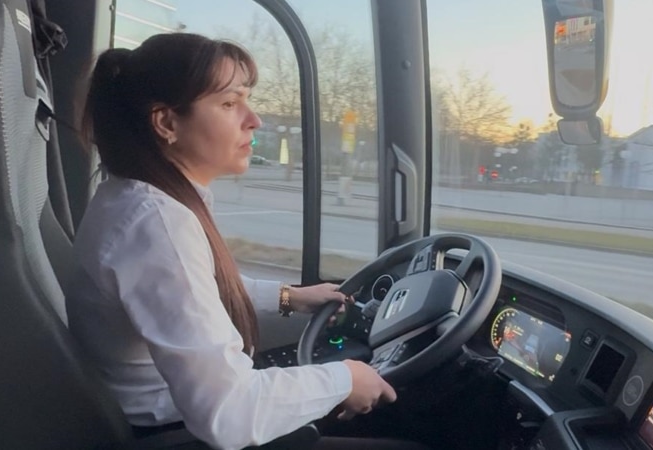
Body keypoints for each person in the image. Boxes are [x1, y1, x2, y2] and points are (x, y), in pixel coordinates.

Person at [66, 33, 425, 450]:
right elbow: (229, 413)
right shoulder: (155, 224)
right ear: (166, 123)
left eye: (247, 100)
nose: (254, 120)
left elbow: (199, 290)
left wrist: (290, 297)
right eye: (229, 103)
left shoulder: (141, 200)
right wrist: (345, 379)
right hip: (177, 434)